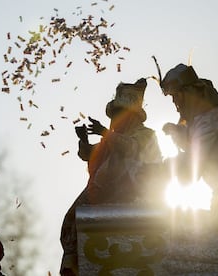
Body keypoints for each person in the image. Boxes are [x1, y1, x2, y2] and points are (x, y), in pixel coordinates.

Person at [161, 39, 218, 254]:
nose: (175, 103)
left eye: (176, 96)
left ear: (189, 93)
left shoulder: (206, 122)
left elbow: (192, 168)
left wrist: (160, 170)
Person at [60, 78, 163, 275]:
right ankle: (74, 266)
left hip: (134, 192)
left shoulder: (146, 135)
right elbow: (90, 155)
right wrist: (84, 138)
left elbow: (131, 149)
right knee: (73, 218)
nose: (115, 119)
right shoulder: (112, 137)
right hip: (104, 190)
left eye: (119, 114)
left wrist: (105, 133)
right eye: (114, 115)